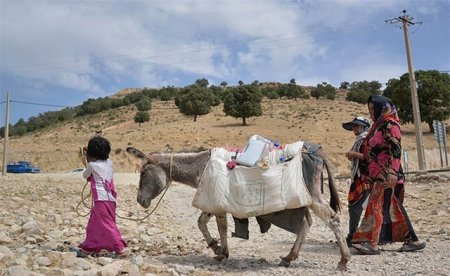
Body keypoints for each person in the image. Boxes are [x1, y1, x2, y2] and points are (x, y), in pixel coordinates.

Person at [352, 94, 426, 255]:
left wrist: (392, 171)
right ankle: (414, 241)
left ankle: (373, 244)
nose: (371, 112)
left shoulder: (390, 124)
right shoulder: (377, 126)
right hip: (378, 174)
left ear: (381, 108)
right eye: (369, 109)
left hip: (387, 174)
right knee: (393, 207)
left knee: (376, 206)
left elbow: (396, 149)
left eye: (373, 109)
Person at [74, 136, 130, 258]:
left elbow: (85, 175)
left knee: (107, 224)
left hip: (100, 200)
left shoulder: (92, 166)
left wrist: (88, 159)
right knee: (94, 225)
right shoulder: (109, 163)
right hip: (110, 199)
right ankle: (88, 248)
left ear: (91, 153)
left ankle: (120, 249)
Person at [342, 116, 371, 247]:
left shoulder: (366, 140)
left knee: (355, 207)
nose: (354, 128)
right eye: (353, 126)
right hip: (359, 177)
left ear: (363, 127)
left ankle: (353, 237)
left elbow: (368, 157)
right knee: (356, 206)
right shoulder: (360, 140)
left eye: (356, 126)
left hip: (364, 178)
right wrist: (352, 156)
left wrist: (353, 154)